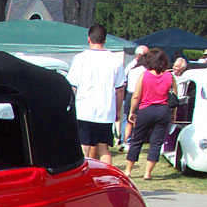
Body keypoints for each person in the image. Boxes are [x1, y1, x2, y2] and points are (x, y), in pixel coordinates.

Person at [67, 24, 125, 164]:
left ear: (89, 39)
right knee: (104, 148)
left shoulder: (80, 58)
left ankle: (81, 178)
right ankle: (106, 177)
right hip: (105, 110)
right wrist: (117, 110)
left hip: (84, 110)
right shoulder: (115, 60)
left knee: (84, 147)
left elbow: (72, 86)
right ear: (104, 40)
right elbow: (120, 89)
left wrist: (69, 107)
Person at [125, 48, 176, 181]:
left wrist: (132, 111)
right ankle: (147, 173)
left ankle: (128, 170)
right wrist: (173, 114)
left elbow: (136, 96)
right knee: (156, 142)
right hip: (163, 110)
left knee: (137, 140)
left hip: (146, 109)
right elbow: (175, 98)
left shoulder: (145, 75)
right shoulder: (170, 76)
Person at [120, 44, 148, 148]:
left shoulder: (131, 68)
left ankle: (125, 141)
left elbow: (124, 81)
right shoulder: (144, 71)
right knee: (137, 121)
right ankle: (134, 141)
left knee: (128, 120)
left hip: (129, 94)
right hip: (138, 95)